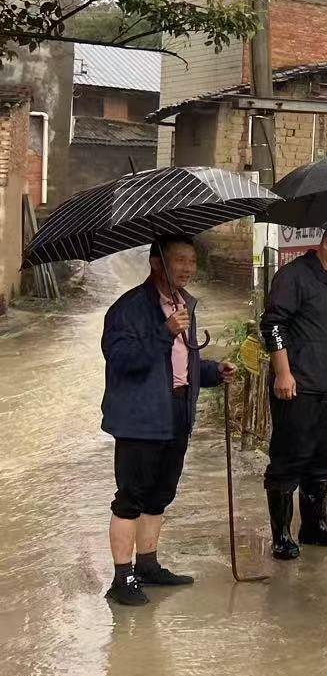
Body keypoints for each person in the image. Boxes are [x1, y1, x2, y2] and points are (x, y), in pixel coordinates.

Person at [101, 235, 234, 606]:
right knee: (130, 497)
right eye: (179, 260)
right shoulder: (128, 309)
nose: (188, 268)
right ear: (156, 262)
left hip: (176, 410)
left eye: (192, 261)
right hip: (139, 416)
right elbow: (123, 360)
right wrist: (164, 331)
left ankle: (147, 565)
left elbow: (181, 364)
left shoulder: (182, 304)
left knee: (160, 493)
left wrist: (212, 372)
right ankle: (121, 577)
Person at [258, 233, 327, 559]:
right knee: (290, 458)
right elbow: (273, 325)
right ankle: (282, 535)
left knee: (323, 460)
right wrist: (283, 373)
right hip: (297, 385)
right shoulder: (294, 277)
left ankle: (313, 526)